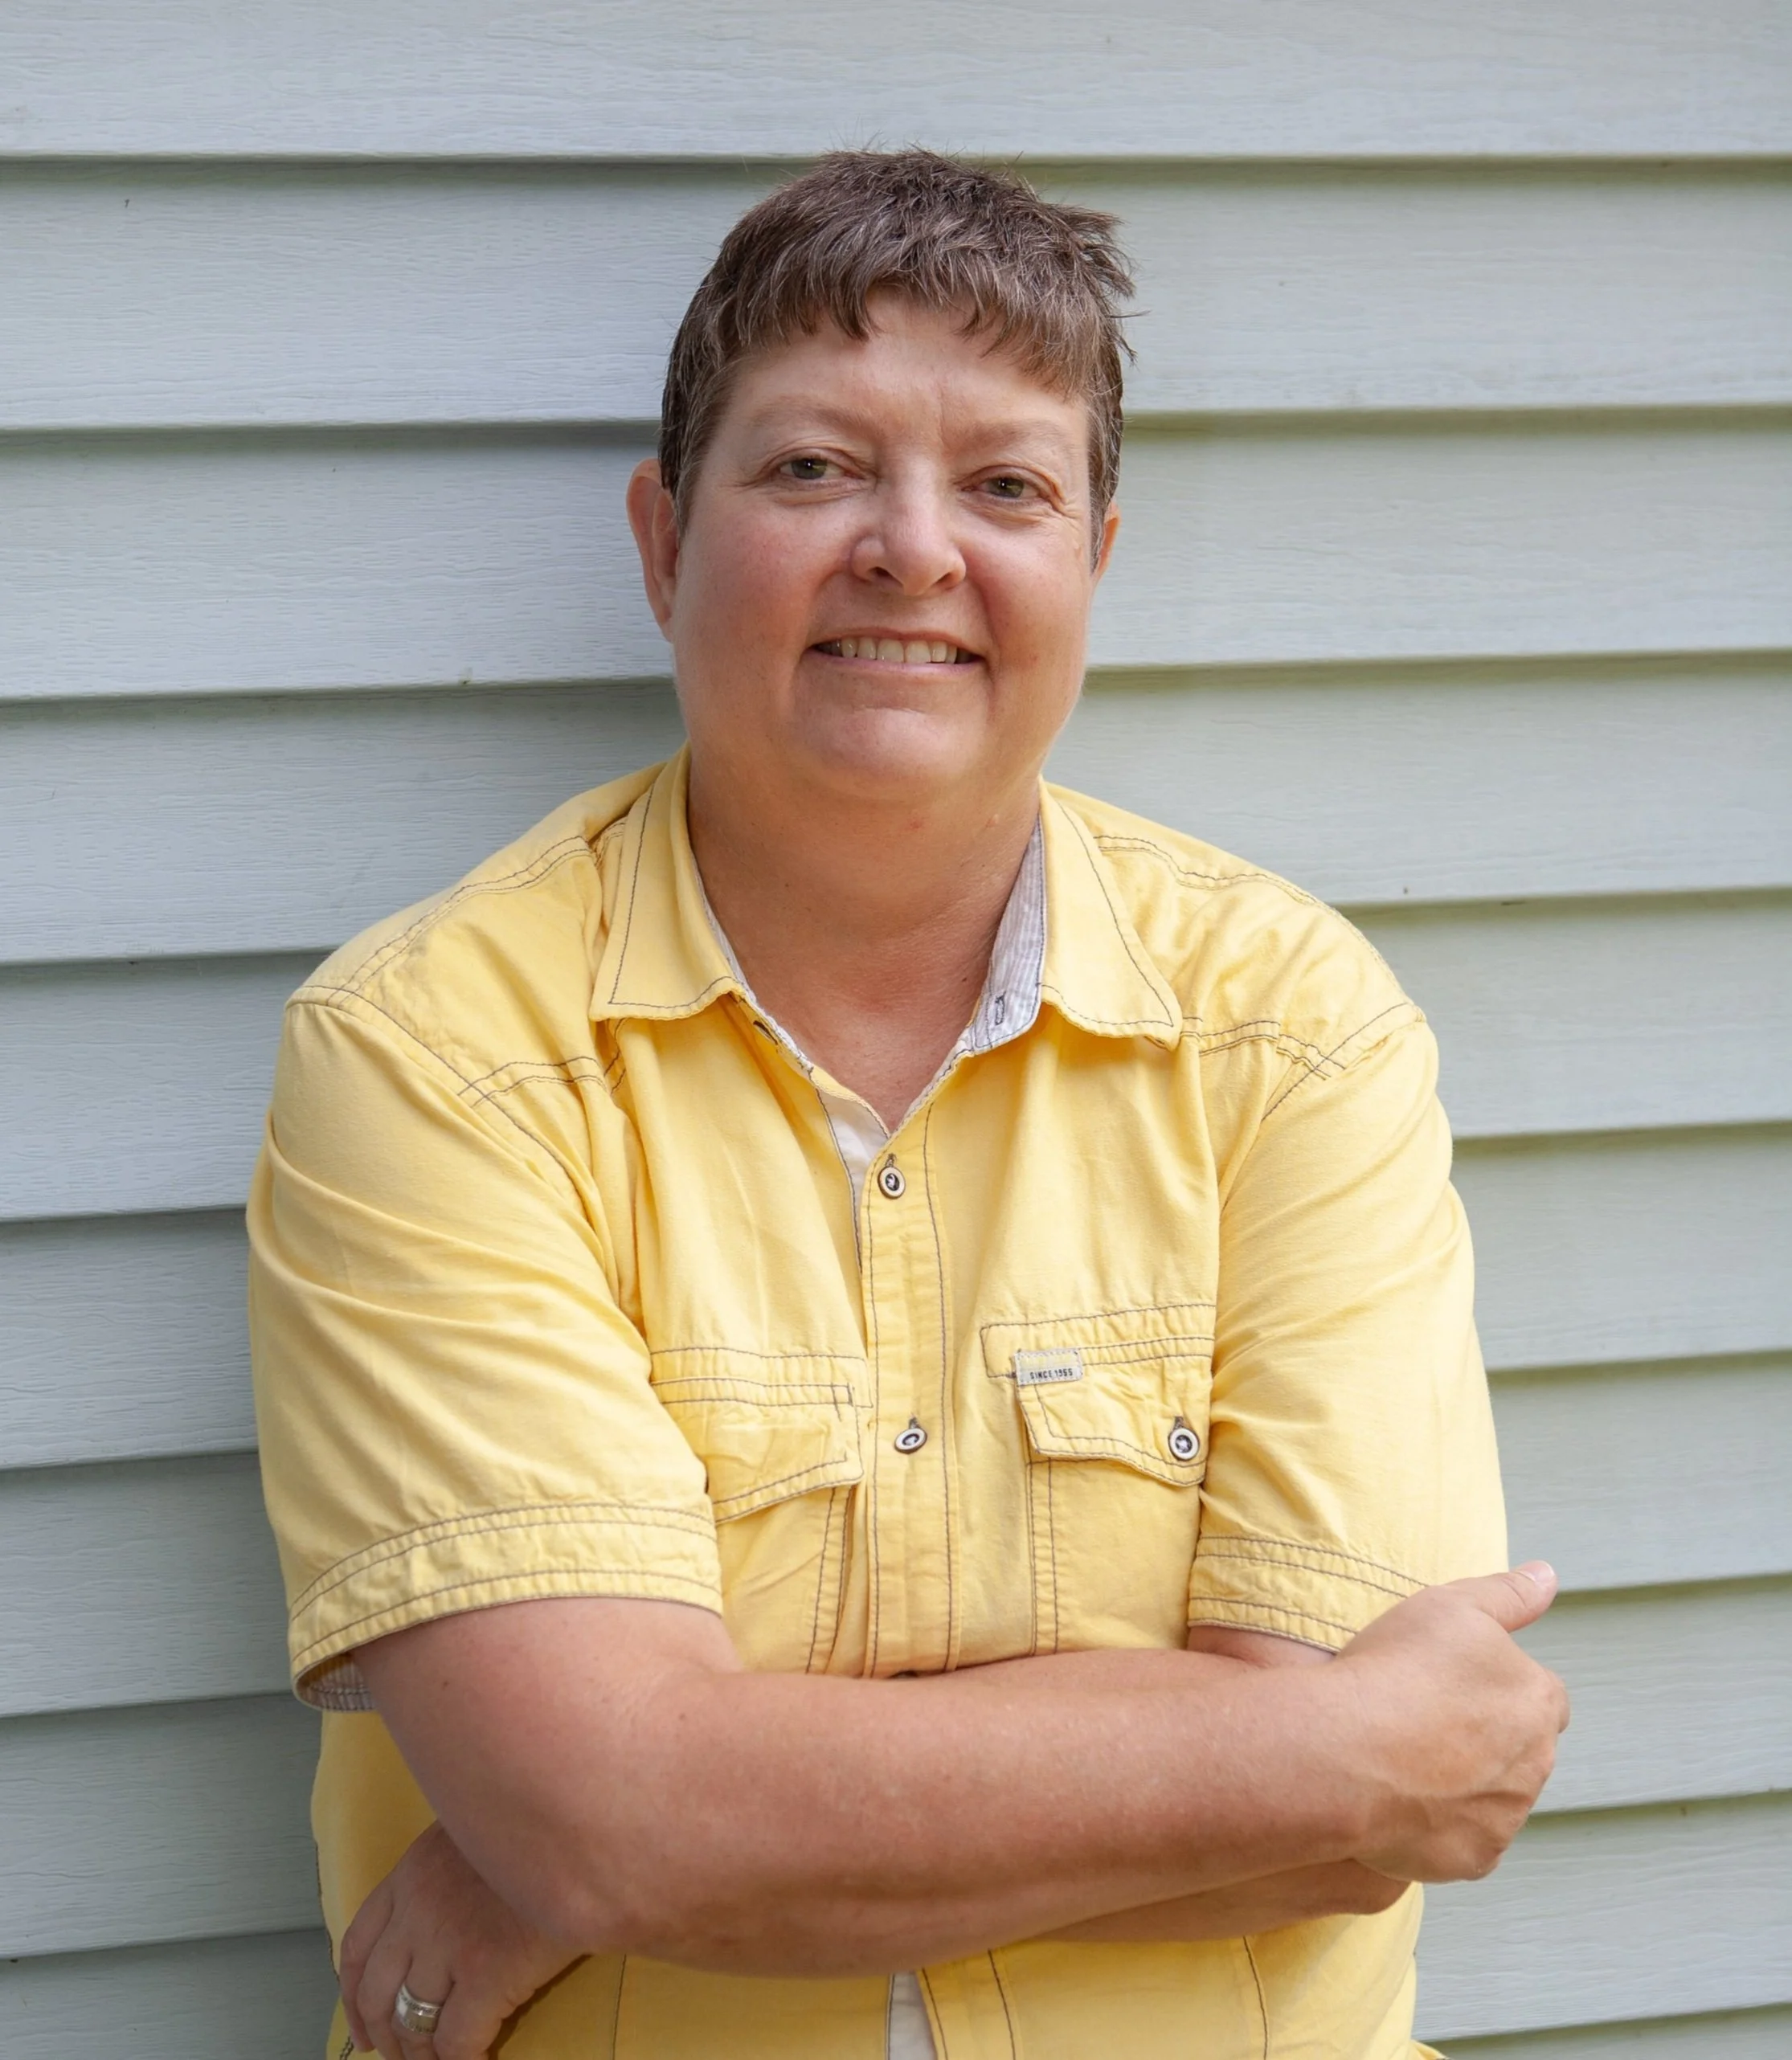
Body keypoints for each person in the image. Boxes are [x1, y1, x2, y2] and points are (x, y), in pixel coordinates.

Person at [248, 150, 1567, 2060]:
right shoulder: (437, 1052)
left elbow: (1391, 1796)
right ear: (659, 541)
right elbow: (618, 1809)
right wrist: (606, 1828)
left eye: (1007, 484)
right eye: (809, 467)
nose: (910, 547)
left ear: (1092, 566)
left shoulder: (1292, 1029)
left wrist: (655, 1832)